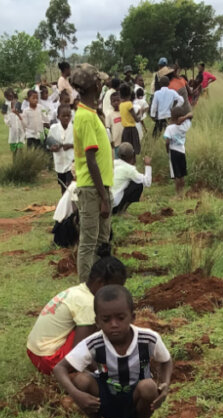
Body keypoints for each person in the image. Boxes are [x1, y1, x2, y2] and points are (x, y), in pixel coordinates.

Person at [53, 284, 172, 418]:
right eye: (106, 320)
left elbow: (166, 361)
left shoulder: (148, 339)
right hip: (105, 399)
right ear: (97, 322)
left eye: (120, 318)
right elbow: (59, 368)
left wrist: (165, 385)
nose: (114, 324)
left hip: (135, 401)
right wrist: (76, 394)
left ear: (132, 317)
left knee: (149, 386)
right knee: (81, 380)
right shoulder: (94, 343)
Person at [26, 255, 127, 375]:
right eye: (114, 289)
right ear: (100, 283)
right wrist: (102, 371)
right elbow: (80, 349)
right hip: (49, 359)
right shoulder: (88, 304)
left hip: (34, 352)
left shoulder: (78, 291)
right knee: (100, 329)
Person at [71, 64, 113, 283]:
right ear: (95, 85)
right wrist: (103, 198)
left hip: (99, 187)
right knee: (89, 242)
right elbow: (91, 160)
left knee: (101, 240)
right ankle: (86, 289)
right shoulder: (85, 117)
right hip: (92, 190)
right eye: (100, 82)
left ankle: (98, 283)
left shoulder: (90, 113)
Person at [111, 144, 151, 214]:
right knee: (138, 184)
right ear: (132, 155)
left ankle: (119, 210)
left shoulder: (113, 163)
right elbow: (147, 183)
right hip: (114, 205)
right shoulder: (129, 169)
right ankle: (121, 210)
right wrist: (147, 165)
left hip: (105, 205)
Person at [46, 102, 75, 193]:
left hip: (71, 162)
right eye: (64, 116)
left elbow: (80, 144)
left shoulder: (74, 128)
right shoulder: (54, 128)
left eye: (68, 116)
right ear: (58, 117)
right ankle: (64, 204)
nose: (66, 118)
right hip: (59, 162)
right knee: (63, 186)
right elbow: (49, 144)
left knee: (70, 185)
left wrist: (70, 145)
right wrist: (53, 148)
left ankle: (72, 205)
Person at [163, 104, 191, 196]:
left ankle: (177, 193)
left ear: (172, 117)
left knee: (176, 174)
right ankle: (182, 192)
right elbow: (191, 115)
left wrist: (167, 150)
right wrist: (185, 117)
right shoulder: (184, 127)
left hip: (173, 152)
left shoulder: (169, 128)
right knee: (182, 174)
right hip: (182, 151)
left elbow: (167, 142)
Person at [117, 83, 140, 155]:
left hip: (125, 130)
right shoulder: (129, 104)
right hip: (132, 129)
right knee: (133, 149)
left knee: (126, 150)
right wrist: (139, 115)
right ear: (130, 94)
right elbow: (136, 119)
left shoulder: (120, 105)